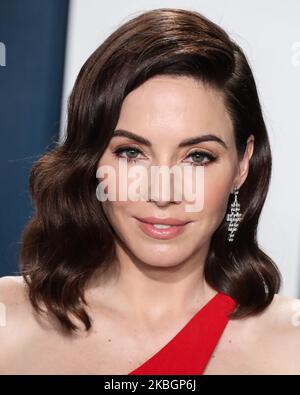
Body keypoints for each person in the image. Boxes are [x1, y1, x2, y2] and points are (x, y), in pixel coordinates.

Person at [0, 8, 300, 375]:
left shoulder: (290, 346)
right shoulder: (8, 323)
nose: (163, 192)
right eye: (131, 153)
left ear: (242, 165)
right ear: (92, 159)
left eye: (197, 157)